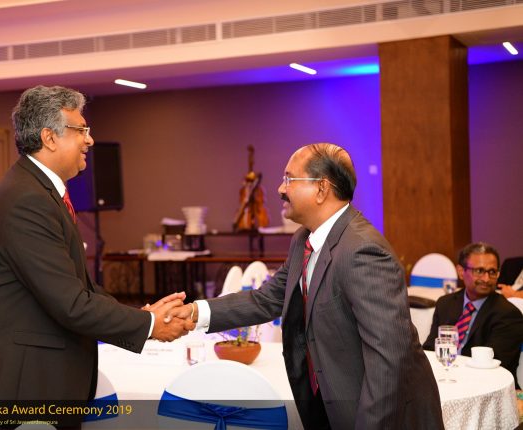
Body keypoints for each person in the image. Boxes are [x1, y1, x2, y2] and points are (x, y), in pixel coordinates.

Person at [0, 86, 192, 421]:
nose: (90, 140)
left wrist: (139, 317)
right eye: (81, 130)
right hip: (11, 384)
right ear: (49, 138)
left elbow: (79, 288)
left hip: (26, 378)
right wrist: (148, 324)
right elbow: (71, 303)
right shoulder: (26, 199)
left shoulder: (39, 191)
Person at [169, 143, 443, 429]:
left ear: (321, 189)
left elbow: (389, 360)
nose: (280, 189)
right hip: (332, 401)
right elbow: (267, 299)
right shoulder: (304, 240)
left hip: (380, 415)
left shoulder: (363, 250)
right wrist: (193, 313)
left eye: (289, 179)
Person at [424, 242, 523, 378]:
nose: (486, 279)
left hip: (485, 382)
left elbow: (494, 364)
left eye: (492, 272)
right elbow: (430, 348)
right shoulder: (445, 303)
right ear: (461, 272)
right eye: (479, 271)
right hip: (445, 376)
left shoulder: (508, 314)